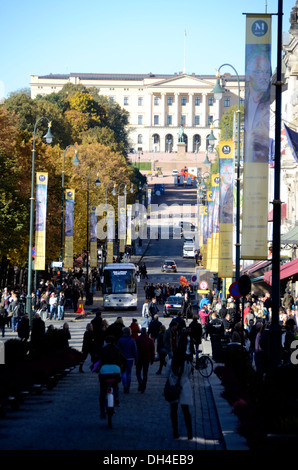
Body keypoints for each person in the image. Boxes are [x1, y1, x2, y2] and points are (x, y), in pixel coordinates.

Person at [165, 350, 193, 440]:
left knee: (173, 410)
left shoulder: (171, 362)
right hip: (184, 386)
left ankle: (175, 432)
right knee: (186, 411)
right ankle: (189, 432)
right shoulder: (187, 363)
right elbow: (189, 375)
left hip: (173, 386)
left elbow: (166, 374)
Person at [97, 335, 127, 419]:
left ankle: (102, 412)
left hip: (104, 371)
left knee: (103, 391)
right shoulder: (117, 349)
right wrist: (122, 369)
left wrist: (96, 369)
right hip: (115, 370)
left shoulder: (102, 349)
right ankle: (116, 398)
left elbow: (97, 360)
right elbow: (124, 361)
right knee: (115, 385)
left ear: (106, 341)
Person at [117, 327, 138, 393]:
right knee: (129, 373)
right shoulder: (132, 340)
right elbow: (135, 351)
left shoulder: (120, 340)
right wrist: (136, 359)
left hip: (122, 358)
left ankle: (125, 385)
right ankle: (128, 386)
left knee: (123, 373)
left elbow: (118, 350)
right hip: (130, 358)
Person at [135, 327, 155, 393]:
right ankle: (143, 386)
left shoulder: (137, 339)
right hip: (147, 358)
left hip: (139, 358)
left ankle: (140, 383)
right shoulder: (150, 340)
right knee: (145, 373)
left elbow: (135, 350)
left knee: (138, 372)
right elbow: (153, 351)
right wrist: (152, 359)